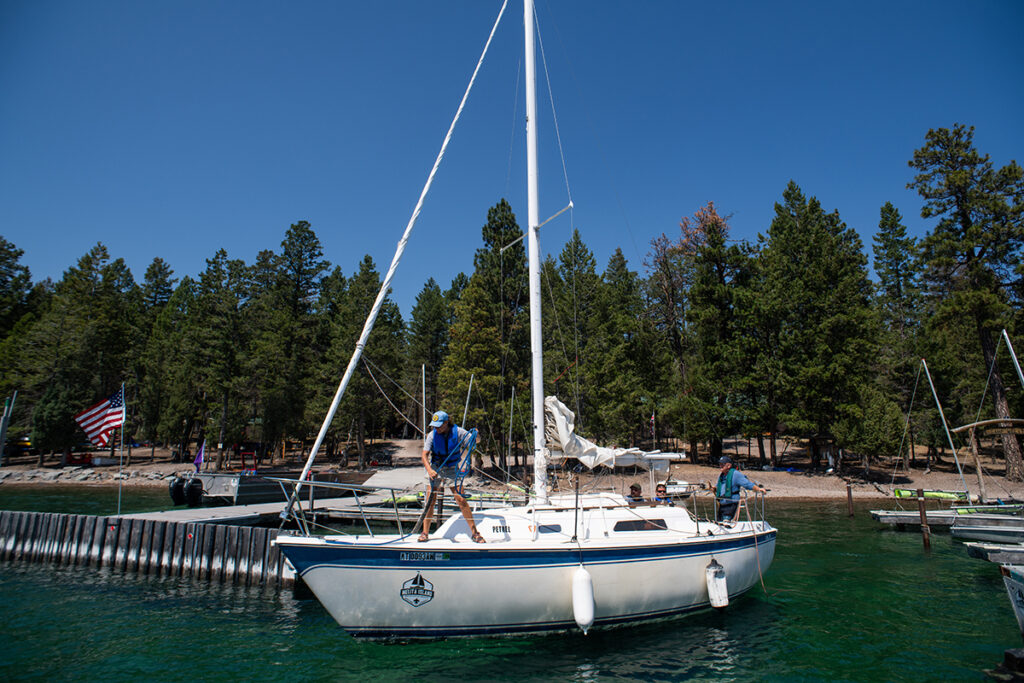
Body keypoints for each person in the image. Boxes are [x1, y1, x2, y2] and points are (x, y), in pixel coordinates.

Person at [419, 410, 485, 543]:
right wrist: (430, 470)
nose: (436, 428)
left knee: (461, 499)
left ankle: (474, 532)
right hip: (435, 467)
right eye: (434, 426)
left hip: (451, 469)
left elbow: (475, 441)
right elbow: (424, 456)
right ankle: (425, 532)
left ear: (446, 423)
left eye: (439, 425)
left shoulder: (459, 432)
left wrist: (476, 436)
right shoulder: (432, 435)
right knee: (430, 501)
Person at [715, 456, 767, 522]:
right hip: (722, 503)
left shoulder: (736, 474)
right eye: (720, 464)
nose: (720, 466)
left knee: (726, 520)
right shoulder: (722, 476)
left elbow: (747, 484)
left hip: (731, 503)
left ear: (729, 466)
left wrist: (758, 489)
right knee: (718, 521)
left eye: (723, 464)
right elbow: (718, 486)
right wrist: (713, 488)